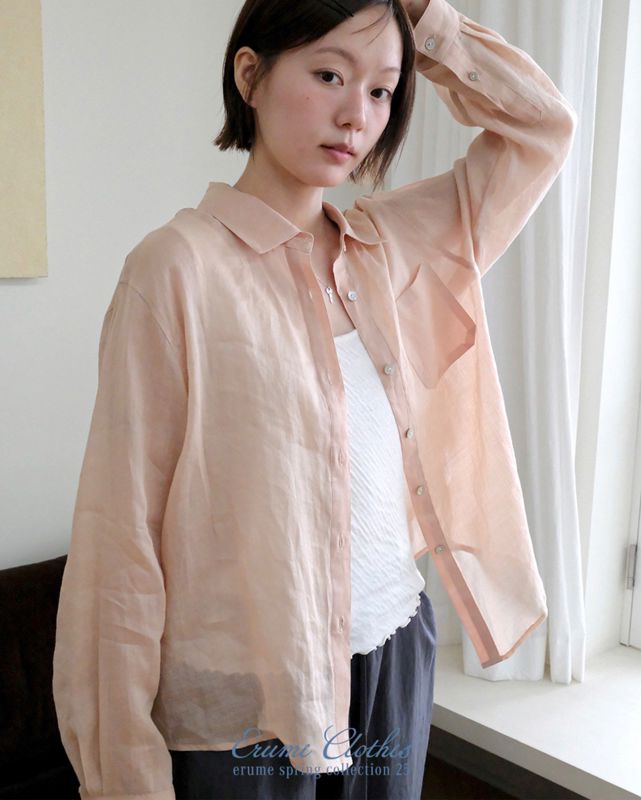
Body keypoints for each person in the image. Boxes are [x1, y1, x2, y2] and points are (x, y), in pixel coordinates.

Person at [52, 0, 577, 799]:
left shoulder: (394, 245)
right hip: (248, 697)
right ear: (250, 75)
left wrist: (422, 18)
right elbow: (118, 541)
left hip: (393, 654)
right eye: (329, 74)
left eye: (381, 90)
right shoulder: (175, 269)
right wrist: (122, 775)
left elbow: (542, 130)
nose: (356, 115)